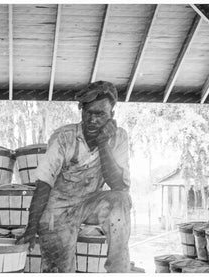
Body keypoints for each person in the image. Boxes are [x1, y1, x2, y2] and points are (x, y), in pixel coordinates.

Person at [17, 80, 132, 273]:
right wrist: (31, 227)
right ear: (81, 111)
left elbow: (118, 185)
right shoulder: (64, 137)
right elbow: (43, 184)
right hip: (58, 209)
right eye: (89, 113)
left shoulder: (119, 137)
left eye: (101, 114)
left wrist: (103, 143)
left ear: (112, 115)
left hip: (90, 204)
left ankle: (118, 272)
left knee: (120, 200)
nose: (93, 120)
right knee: (58, 269)